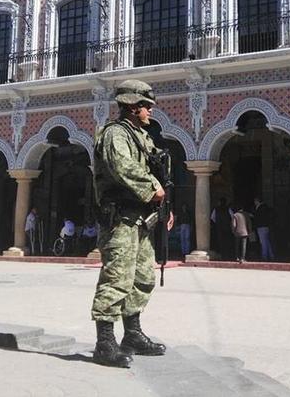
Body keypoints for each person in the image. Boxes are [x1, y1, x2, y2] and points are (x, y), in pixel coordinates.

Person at [90, 79, 172, 368]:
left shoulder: (141, 136)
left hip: (142, 219)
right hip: (121, 219)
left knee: (142, 278)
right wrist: (154, 189)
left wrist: (164, 205)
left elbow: (155, 170)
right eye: (147, 107)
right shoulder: (115, 135)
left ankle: (132, 334)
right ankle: (105, 343)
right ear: (134, 107)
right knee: (117, 279)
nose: (150, 112)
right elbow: (124, 167)